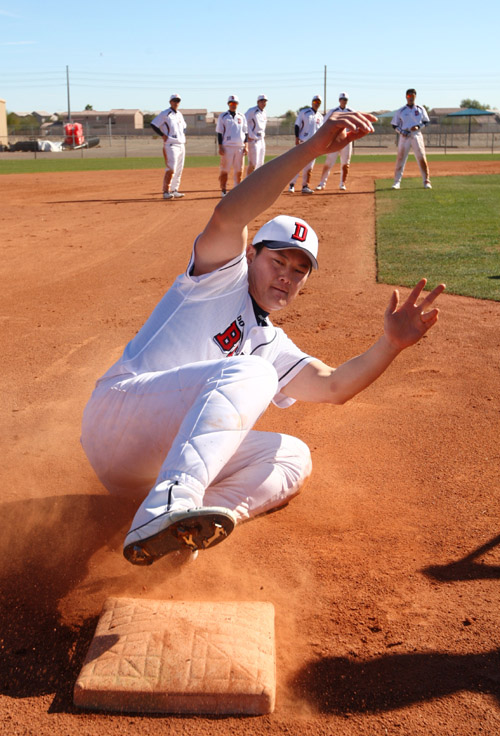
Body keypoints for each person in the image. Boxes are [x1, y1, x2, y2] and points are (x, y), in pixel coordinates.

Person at [81, 109, 445, 568]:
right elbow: (228, 214)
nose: (286, 277)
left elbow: (334, 386)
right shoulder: (218, 276)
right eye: (278, 262)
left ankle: (188, 532)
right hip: (118, 417)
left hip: (148, 466)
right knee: (253, 372)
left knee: (293, 456)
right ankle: (171, 504)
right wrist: (313, 148)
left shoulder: (270, 341)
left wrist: (390, 345)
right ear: (251, 255)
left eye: (299, 271)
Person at [391, 89, 432, 190]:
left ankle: (426, 181)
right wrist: (401, 132)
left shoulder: (420, 109)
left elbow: (426, 122)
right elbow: (394, 125)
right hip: (404, 136)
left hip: (416, 135)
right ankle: (397, 182)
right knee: (400, 158)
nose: (411, 98)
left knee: (421, 157)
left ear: (415, 97)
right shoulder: (401, 111)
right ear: (406, 97)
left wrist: (418, 126)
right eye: (409, 96)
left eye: (412, 96)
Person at [151, 94, 187, 200]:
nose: (176, 103)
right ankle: (166, 191)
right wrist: (163, 135)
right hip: (171, 144)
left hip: (181, 144)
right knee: (171, 168)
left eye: (178, 101)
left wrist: (182, 136)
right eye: (174, 101)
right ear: (170, 102)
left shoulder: (180, 114)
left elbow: (184, 127)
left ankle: (175, 190)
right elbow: (153, 124)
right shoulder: (165, 114)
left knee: (179, 169)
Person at [316, 92, 354, 191]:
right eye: (342, 99)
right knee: (329, 162)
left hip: (346, 140)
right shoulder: (333, 111)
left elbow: (356, 124)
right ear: (339, 100)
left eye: (345, 99)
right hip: (334, 140)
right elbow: (324, 123)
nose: (343, 101)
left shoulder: (350, 111)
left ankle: (342, 183)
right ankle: (322, 183)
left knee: (345, 163)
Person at [288, 95, 324, 194]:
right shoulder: (304, 112)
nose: (317, 104)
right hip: (303, 142)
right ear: (312, 102)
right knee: (298, 164)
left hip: (314, 144)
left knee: (309, 167)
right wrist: (297, 138)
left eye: (319, 103)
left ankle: (305, 186)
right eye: (315, 102)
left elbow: (321, 132)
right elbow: (297, 125)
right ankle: (291, 185)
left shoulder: (320, 117)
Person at [216, 95, 248, 196]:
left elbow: (245, 132)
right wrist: (220, 146)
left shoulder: (241, 116)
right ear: (228, 104)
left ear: (237, 104)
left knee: (239, 170)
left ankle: (237, 189)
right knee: (225, 169)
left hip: (240, 147)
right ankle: (223, 189)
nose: (233, 105)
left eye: (235, 103)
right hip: (227, 147)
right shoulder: (223, 116)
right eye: (231, 103)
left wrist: (246, 146)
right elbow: (220, 133)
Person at [245, 94, 268, 176]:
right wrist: (248, 135)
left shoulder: (264, 112)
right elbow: (244, 122)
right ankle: (247, 183)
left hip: (261, 140)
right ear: (258, 102)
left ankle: (256, 183)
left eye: (265, 101)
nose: (263, 103)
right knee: (253, 163)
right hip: (253, 140)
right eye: (262, 101)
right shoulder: (252, 111)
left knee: (260, 163)